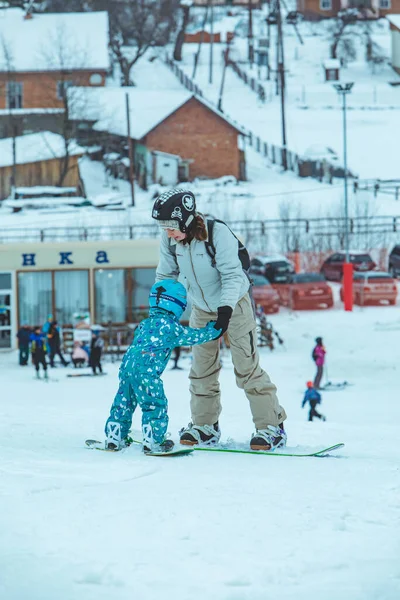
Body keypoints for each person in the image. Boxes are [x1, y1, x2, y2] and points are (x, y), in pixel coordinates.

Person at [152, 188, 287, 451]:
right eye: (163, 227)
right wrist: (160, 310)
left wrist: (225, 310)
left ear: (186, 219)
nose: (167, 232)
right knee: (201, 369)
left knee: (246, 367)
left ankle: (271, 427)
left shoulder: (217, 234)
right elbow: (165, 276)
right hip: (201, 310)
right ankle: (204, 426)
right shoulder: (170, 240)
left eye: (171, 226)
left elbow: (233, 276)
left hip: (234, 305)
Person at [104, 280, 221, 453]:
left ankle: (114, 436)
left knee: (124, 402)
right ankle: (154, 441)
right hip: (147, 372)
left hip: (127, 368)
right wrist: (214, 329)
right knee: (154, 404)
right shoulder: (171, 328)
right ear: (177, 305)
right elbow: (193, 336)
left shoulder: (144, 324)